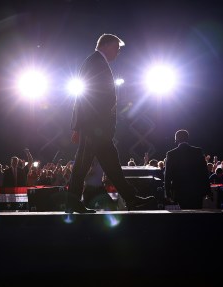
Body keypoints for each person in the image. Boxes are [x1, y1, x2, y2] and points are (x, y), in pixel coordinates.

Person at [66, 33, 156, 213]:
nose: (118, 52)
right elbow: (88, 97)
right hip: (95, 128)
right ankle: (129, 199)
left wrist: (78, 126)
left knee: (102, 165)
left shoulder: (94, 62)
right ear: (106, 45)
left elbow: (82, 97)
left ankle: (129, 198)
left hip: (94, 127)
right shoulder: (96, 63)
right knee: (90, 165)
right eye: (117, 48)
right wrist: (84, 126)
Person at [164, 129, 212, 209]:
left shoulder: (171, 154)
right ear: (187, 138)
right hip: (197, 190)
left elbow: (167, 175)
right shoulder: (198, 151)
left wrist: (168, 194)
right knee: (197, 214)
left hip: (179, 191)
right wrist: (208, 191)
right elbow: (204, 172)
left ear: (176, 140)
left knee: (184, 216)